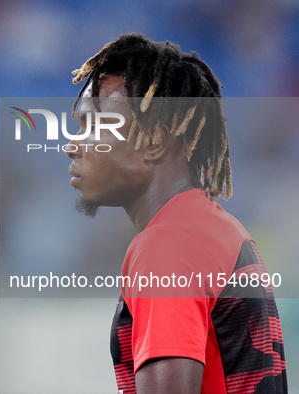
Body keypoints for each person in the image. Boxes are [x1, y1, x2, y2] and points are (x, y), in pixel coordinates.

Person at [66, 33, 287, 393]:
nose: (73, 145)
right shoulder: (217, 229)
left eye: (94, 126)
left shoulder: (167, 246)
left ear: (154, 141)